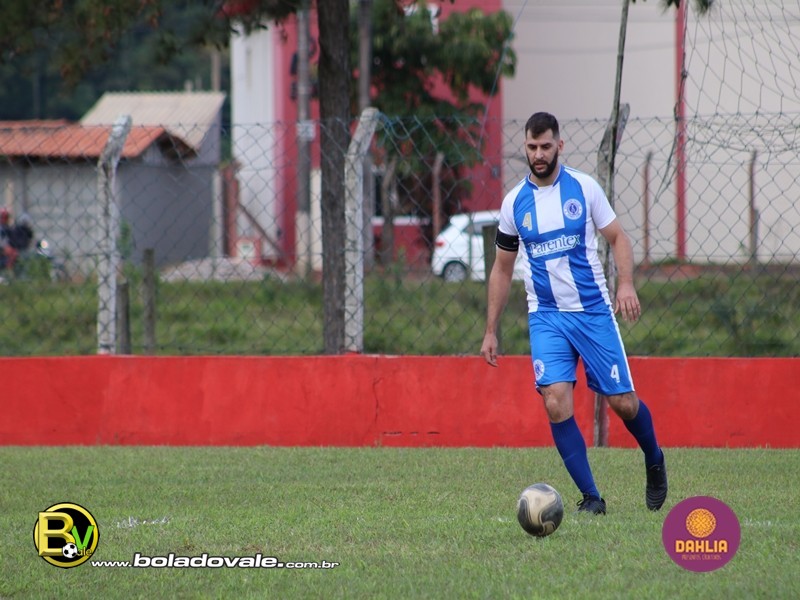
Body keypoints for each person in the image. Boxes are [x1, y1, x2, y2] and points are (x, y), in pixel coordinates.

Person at [480, 112, 667, 515]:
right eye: (532, 147)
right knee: (555, 400)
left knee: (623, 403)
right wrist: (491, 329)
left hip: (592, 312)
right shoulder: (514, 203)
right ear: (525, 148)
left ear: (559, 146)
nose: (539, 154)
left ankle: (654, 457)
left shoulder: (584, 188)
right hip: (546, 316)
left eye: (546, 146)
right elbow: (502, 269)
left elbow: (618, 237)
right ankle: (592, 498)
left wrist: (626, 283)